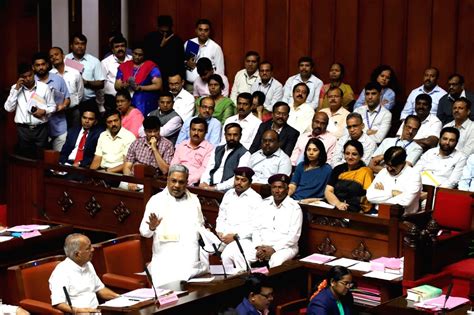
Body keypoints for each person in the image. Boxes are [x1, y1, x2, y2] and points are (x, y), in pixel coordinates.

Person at [139, 165, 208, 286]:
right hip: (165, 262)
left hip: (190, 262)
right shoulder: (156, 201)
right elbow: (144, 232)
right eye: (173, 181)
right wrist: (152, 227)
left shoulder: (194, 200)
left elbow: (200, 227)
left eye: (181, 182)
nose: (176, 185)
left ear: (187, 182)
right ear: (167, 180)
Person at [223, 174, 302, 270]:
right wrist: (258, 246)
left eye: (280, 187)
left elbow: (293, 236)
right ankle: (245, 281)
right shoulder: (264, 204)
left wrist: (273, 249)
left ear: (287, 189)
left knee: (276, 261)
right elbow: (256, 229)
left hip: (285, 248)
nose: (277, 191)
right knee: (239, 254)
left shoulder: (294, 207)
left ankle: (271, 284)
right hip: (261, 245)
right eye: (274, 187)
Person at [49, 233, 119, 313]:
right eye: (88, 248)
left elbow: (100, 289)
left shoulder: (88, 264)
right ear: (77, 254)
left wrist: (120, 297)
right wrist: (78, 311)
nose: (92, 249)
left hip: (96, 312)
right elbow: (58, 303)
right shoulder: (61, 272)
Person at [4, 63, 55, 159]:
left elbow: (53, 107)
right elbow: (8, 108)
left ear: (33, 73)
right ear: (20, 77)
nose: (28, 79)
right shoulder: (15, 88)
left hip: (41, 129)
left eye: (30, 75)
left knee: (41, 158)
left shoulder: (44, 87)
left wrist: (44, 111)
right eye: (24, 77)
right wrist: (16, 90)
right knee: (25, 159)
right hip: (23, 130)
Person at [217, 167, 262, 259]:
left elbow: (255, 226)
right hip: (224, 236)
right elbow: (221, 216)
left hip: (243, 238)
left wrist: (235, 236)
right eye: (237, 179)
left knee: (227, 255)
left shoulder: (255, 198)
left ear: (250, 183)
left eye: (243, 180)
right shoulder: (229, 194)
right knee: (203, 250)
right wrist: (220, 231)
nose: (239, 182)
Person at [32, 52, 70, 151]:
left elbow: (67, 98)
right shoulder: (31, 82)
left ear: (47, 65)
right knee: (41, 159)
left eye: (43, 64)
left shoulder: (58, 79)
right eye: (38, 65)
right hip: (39, 128)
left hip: (59, 125)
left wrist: (63, 105)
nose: (41, 67)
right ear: (33, 67)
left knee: (58, 159)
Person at [123, 116, 174, 189]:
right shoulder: (136, 143)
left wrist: (155, 149)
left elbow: (165, 170)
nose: (153, 134)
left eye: (155, 131)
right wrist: (131, 181)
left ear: (159, 130)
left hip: (153, 182)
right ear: (145, 131)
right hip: (134, 179)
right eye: (150, 131)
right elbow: (127, 166)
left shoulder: (167, 145)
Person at [367, 146, 422, 214]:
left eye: (393, 166)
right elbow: (370, 197)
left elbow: (405, 202)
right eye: (387, 165)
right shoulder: (383, 172)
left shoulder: (413, 174)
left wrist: (381, 195)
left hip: (402, 217)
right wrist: (392, 193)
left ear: (403, 162)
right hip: (378, 213)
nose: (389, 169)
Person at [325, 140, 374, 213]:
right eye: (347, 153)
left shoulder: (366, 172)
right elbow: (328, 191)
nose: (350, 157)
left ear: (361, 155)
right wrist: (338, 204)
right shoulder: (338, 169)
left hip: (353, 210)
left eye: (354, 154)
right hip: (334, 205)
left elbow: (367, 199)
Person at [199, 123, 250, 191]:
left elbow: (237, 178)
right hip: (210, 186)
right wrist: (204, 183)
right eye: (229, 135)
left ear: (240, 136)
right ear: (225, 135)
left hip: (228, 191)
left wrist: (216, 188)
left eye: (235, 135)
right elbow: (208, 169)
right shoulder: (217, 150)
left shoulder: (244, 153)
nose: (232, 138)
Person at [115, 43, 162, 116]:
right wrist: (124, 85)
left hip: (145, 102)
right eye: (135, 54)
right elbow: (117, 85)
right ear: (132, 53)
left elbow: (158, 85)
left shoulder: (150, 66)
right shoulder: (124, 66)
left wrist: (141, 87)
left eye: (140, 55)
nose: (137, 57)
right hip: (127, 102)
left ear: (144, 55)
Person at [65, 33, 105, 109]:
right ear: (71, 46)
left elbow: (101, 84)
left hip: (88, 102)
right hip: (69, 102)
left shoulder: (94, 61)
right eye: (77, 43)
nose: (80, 46)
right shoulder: (65, 60)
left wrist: (86, 82)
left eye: (83, 44)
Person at [144, 15, 185, 90]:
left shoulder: (177, 40)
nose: (164, 34)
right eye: (162, 32)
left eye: (167, 31)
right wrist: (161, 46)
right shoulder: (150, 38)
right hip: (155, 77)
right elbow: (147, 60)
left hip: (172, 79)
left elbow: (180, 63)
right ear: (158, 27)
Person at [89, 109, 135, 174]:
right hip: (102, 171)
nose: (113, 124)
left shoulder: (129, 137)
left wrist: (106, 172)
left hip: (118, 173)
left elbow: (127, 164)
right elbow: (97, 159)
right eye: (109, 122)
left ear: (120, 120)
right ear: (106, 123)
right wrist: (90, 174)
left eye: (116, 120)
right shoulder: (103, 135)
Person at [170, 117, 214, 185]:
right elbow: (173, 165)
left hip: (194, 185)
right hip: (176, 180)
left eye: (200, 130)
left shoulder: (209, 149)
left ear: (206, 132)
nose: (196, 133)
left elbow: (203, 170)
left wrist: (185, 181)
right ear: (189, 130)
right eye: (193, 129)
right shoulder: (182, 145)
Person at [49, 46, 84, 127]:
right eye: (51, 56)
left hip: (74, 111)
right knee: (61, 137)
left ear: (63, 56)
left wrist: (74, 103)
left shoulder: (75, 72)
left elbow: (80, 92)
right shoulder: (50, 75)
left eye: (56, 54)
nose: (54, 57)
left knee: (75, 135)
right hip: (57, 113)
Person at [184, 18, 225, 84]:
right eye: (200, 30)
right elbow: (180, 63)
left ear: (209, 31)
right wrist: (186, 63)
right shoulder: (189, 43)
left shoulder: (215, 48)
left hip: (207, 86)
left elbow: (220, 72)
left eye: (206, 30)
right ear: (196, 30)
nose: (203, 32)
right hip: (189, 86)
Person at [100, 35, 132, 111]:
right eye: (117, 47)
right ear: (112, 49)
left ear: (126, 48)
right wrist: (101, 106)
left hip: (131, 99)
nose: (120, 48)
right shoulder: (105, 63)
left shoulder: (132, 60)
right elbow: (101, 86)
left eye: (122, 46)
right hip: (111, 100)